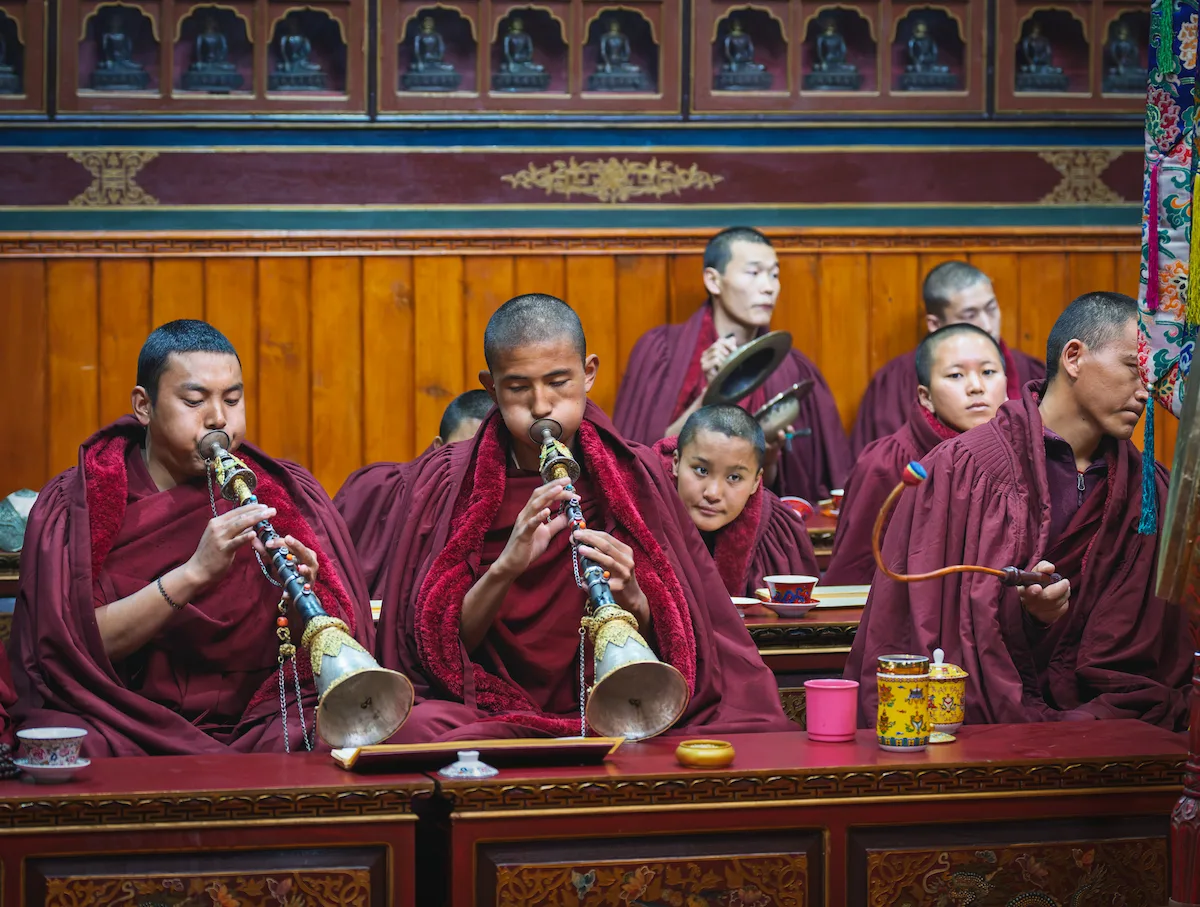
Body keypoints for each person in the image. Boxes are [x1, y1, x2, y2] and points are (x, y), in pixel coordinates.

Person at [377, 293, 793, 741]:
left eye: (559, 382)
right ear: (491, 386)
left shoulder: (637, 475)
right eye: (518, 388)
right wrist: (505, 569)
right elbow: (440, 649)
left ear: (588, 373)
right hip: (488, 709)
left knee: (736, 730)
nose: (541, 406)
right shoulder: (446, 482)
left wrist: (635, 596)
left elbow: (685, 635)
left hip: (622, 695)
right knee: (417, 730)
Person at [8, 320, 373, 757]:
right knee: (75, 745)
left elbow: (316, 649)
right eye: (195, 400)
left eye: (233, 400)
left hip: (257, 720)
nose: (219, 418)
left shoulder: (283, 492)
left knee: (341, 732)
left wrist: (302, 602)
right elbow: (70, 646)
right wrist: (194, 574)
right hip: (123, 718)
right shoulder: (79, 502)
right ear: (144, 406)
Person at [845, 292, 1191, 729]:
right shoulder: (960, 469)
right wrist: (1024, 614)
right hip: (983, 719)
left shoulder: (1150, 490)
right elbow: (914, 622)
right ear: (1073, 357)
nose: (1146, 390)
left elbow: (1162, 650)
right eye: (1132, 367)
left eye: (1153, 375)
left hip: (1117, 723)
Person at [614, 227, 850, 503]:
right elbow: (639, 461)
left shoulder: (792, 369)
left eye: (774, 274)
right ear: (714, 281)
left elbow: (787, 491)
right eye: (754, 273)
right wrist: (710, 395)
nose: (769, 287)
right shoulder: (660, 351)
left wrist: (770, 457)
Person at [824, 324, 1008, 585]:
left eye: (988, 372)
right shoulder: (887, 463)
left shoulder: (1027, 455)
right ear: (926, 396)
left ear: (1007, 383)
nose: (976, 386)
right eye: (956, 376)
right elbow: (855, 573)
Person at [849, 261, 1045, 456]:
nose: (987, 325)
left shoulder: (1031, 370)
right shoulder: (894, 381)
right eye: (970, 315)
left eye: (991, 309)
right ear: (935, 323)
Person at [336, 389, 494, 600]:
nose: (472, 466)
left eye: (484, 455)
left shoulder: (505, 501)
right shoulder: (378, 487)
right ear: (438, 447)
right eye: (460, 452)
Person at [654, 405, 818, 597]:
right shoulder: (642, 507)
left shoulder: (779, 531)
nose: (713, 493)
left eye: (734, 477)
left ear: (756, 481)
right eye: (701, 470)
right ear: (676, 463)